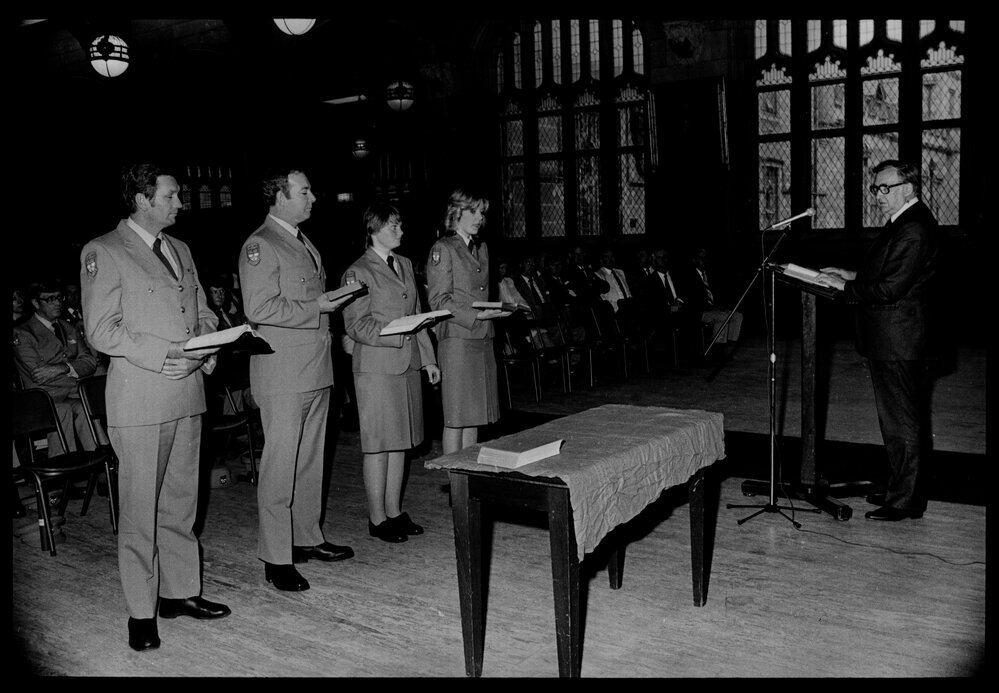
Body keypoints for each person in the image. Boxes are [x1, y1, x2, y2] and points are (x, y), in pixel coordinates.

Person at [80, 163, 230, 653]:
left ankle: (180, 593)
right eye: (171, 196)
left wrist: (205, 347)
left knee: (182, 502)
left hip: (187, 393)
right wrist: (168, 354)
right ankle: (141, 612)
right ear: (143, 199)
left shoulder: (181, 249)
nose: (179, 203)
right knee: (141, 511)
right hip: (143, 396)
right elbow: (101, 331)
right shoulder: (103, 251)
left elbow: (202, 309)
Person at [238, 167, 355, 593]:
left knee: (310, 461)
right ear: (279, 195)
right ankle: (276, 555)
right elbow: (260, 307)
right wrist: (319, 306)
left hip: (314, 367)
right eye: (304, 191)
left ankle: (306, 537)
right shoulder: (261, 245)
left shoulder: (300, 240)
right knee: (280, 465)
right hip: (283, 372)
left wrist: (331, 304)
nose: (313, 197)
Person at [814, 160, 943, 522]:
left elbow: (890, 288)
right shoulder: (902, 223)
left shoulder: (913, 228)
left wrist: (845, 288)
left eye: (885, 188)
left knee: (903, 421)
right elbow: (889, 274)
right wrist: (851, 274)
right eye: (875, 189)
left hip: (899, 341)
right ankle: (899, 487)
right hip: (892, 338)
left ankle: (906, 501)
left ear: (908, 188)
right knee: (895, 421)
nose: (877, 196)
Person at [341, 202, 441, 543]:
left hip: (408, 363)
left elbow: (419, 315)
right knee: (378, 444)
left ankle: (394, 511)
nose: (400, 231)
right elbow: (356, 324)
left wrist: (428, 359)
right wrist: (398, 332)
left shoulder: (406, 264)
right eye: (393, 226)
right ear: (373, 230)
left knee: (401, 441)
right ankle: (376, 517)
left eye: (400, 225)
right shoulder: (357, 272)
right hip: (376, 368)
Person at [425, 187, 505, 454]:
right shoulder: (443, 248)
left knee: (475, 416)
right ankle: (454, 482)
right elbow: (438, 300)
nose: (479, 217)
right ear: (456, 213)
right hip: (458, 340)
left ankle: (467, 477)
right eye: (472, 211)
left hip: (482, 338)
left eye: (481, 212)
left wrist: (496, 310)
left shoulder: (481, 248)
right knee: (456, 418)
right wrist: (476, 315)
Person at [13, 279, 106, 454]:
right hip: (44, 398)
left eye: (59, 298)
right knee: (66, 409)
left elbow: (90, 361)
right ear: (35, 303)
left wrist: (62, 368)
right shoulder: (22, 333)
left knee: (85, 408)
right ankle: (64, 472)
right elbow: (38, 374)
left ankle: (101, 462)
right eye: (50, 299)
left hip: (71, 395)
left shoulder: (68, 328)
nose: (57, 303)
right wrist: (78, 371)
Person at [680, 245, 743, 362]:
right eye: (701, 258)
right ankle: (715, 351)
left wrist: (722, 305)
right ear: (694, 260)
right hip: (699, 311)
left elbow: (717, 293)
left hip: (714, 309)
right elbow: (692, 299)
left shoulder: (710, 274)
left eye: (705, 258)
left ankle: (728, 350)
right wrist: (713, 307)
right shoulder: (688, 276)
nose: (704, 260)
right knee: (722, 317)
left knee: (737, 316)